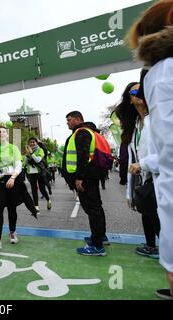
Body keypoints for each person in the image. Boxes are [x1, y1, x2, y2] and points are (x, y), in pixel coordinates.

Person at [127, 0, 173, 299]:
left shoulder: (161, 71)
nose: (136, 97)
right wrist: (144, 164)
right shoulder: (164, 70)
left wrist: (144, 163)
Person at [115, 82, 161, 259]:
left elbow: (168, 154)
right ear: (130, 99)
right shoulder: (134, 127)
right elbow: (132, 162)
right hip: (146, 180)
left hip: (164, 179)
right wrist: (129, 193)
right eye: (135, 91)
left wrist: (144, 164)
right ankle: (151, 246)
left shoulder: (159, 118)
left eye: (143, 88)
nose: (140, 92)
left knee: (161, 221)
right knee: (146, 211)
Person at [0, 127, 38, 249]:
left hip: (11, 181)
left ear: (7, 134)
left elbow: (18, 165)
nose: (1, 133)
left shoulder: (13, 148)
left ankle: (12, 232)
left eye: (3, 131)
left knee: (11, 208)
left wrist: (13, 177)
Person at [63, 111, 108, 256]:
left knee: (92, 209)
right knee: (96, 207)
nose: (67, 122)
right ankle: (100, 236)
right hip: (90, 176)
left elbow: (83, 156)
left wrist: (79, 178)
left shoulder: (82, 133)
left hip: (86, 178)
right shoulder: (86, 131)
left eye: (69, 120)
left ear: (77, 119)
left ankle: (97, 245)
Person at [25, 137, 52, 213]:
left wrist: (31, 153)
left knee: (42, 189)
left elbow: (38, 160)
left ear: (36, 143)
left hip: (40, 172)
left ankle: (48, 200)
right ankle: (36, 207)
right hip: (31, 173)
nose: (32, 143)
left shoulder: (40, 150)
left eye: (33, 142)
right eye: (30, 142)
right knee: (34, 189)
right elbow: (26, 163)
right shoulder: (29, 151)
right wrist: (27, 156)